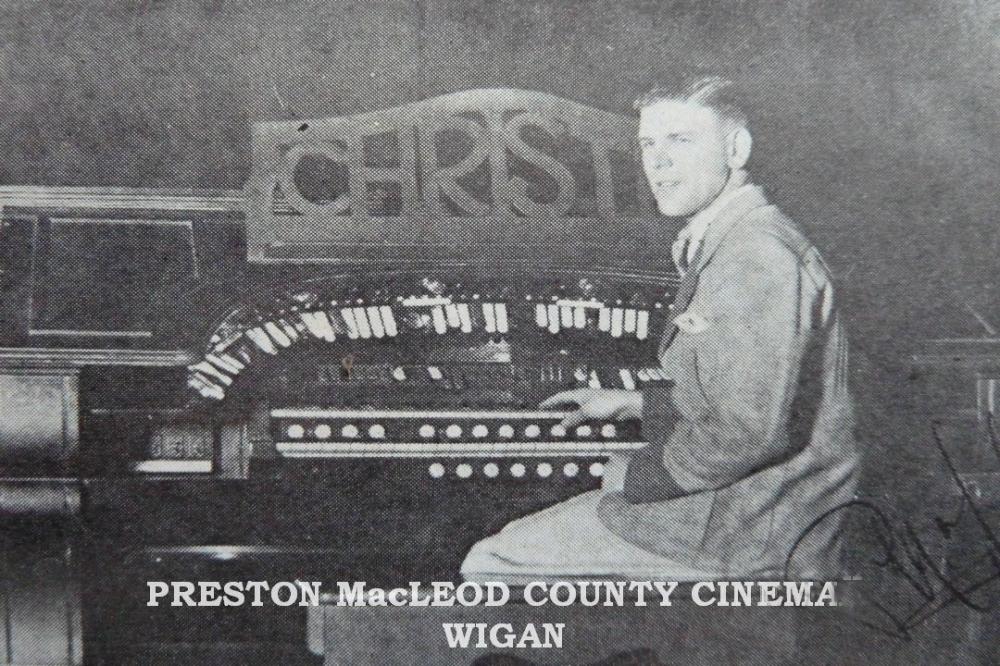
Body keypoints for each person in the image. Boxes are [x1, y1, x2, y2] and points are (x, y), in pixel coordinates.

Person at [461, 77, 859, 582]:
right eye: (649, 144)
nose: (658, 162)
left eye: (681, 141)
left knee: (492, 560)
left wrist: (631, 476)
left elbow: (749, 433)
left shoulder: (755, 255)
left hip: (756, 528)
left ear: (737, 148)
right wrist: (637, 404)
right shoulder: (733, 236)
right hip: (753, 506)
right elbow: (752, 396)